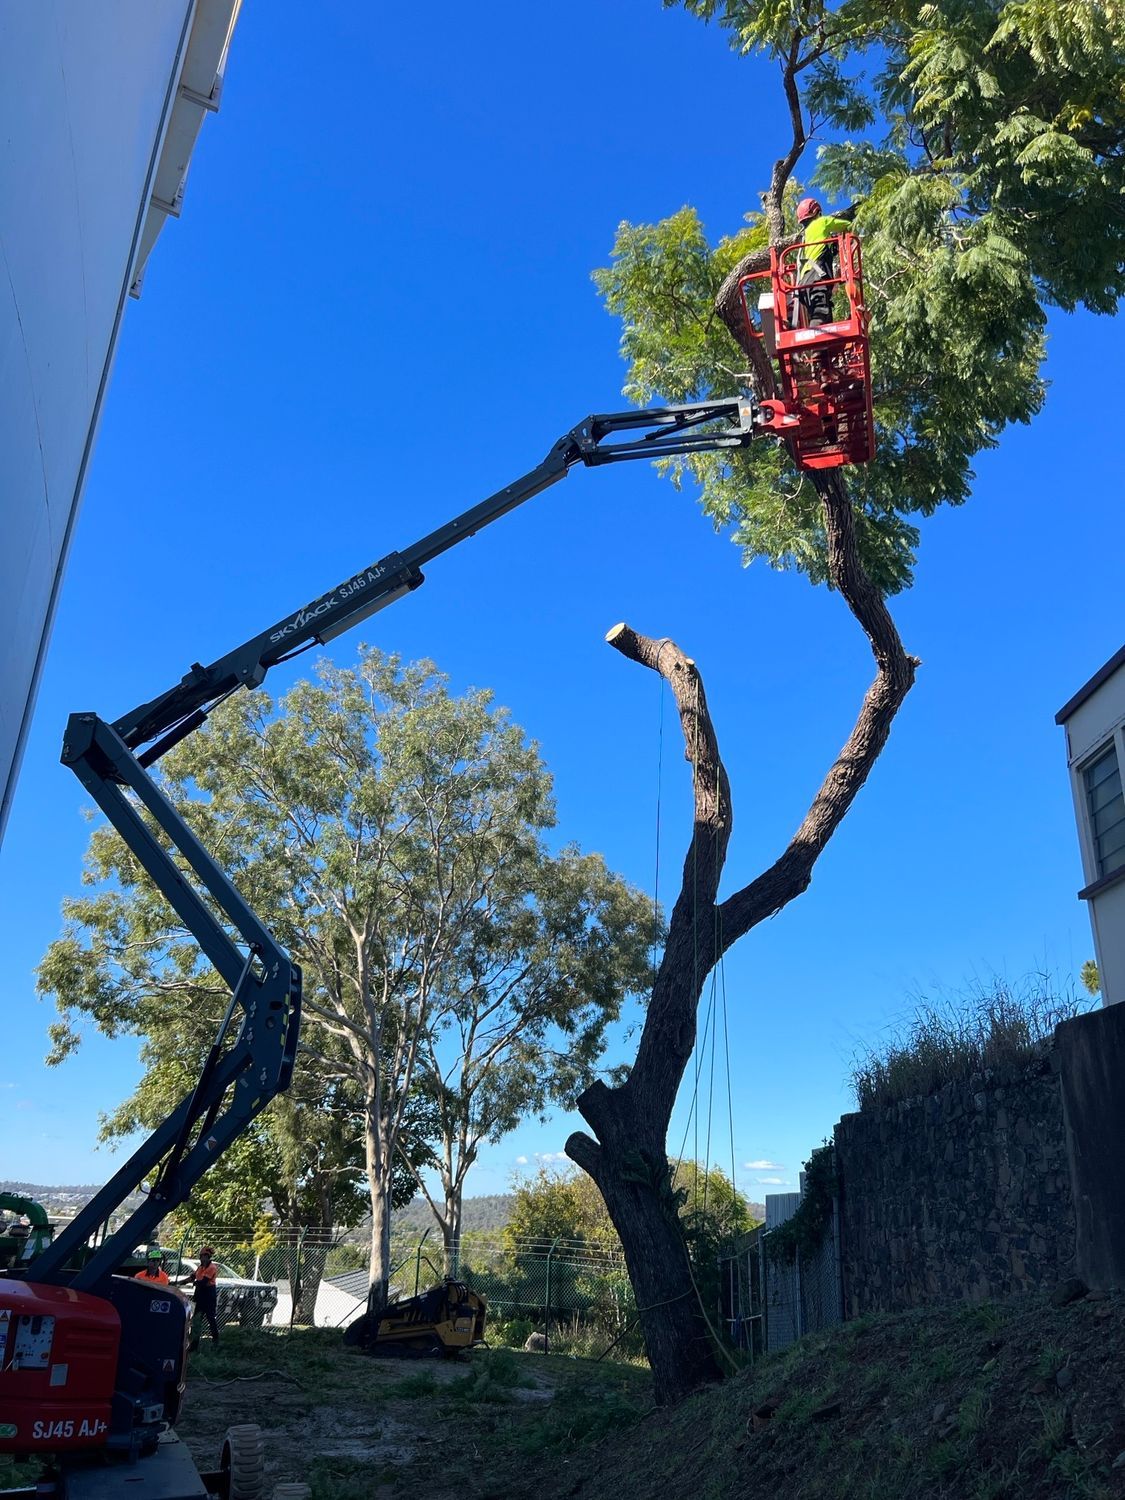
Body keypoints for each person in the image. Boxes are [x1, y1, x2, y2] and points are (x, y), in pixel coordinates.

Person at [792, 197, 855, 328]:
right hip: (817, 277)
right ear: (817, 212)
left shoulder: (806, 237)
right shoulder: (822, 222)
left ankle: (821, 348)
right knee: (820, 313)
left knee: (824, 316)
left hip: (804, 284)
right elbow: (849, 226)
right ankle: (816, 342)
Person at [178, 1245, 220, 1350]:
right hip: (199, 1295)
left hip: (208, 1295)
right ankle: (194, 1344)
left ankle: (216, 1342)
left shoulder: (212, 1267)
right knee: (196, 1320)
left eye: (202, 1256)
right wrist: (179, 1283)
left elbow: (204, 1282)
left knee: (211, 1319)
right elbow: (192, 1277)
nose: (200, 1258)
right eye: (200, 1256)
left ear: (207, 1256)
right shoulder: (200, 1267)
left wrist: (195, 1283)